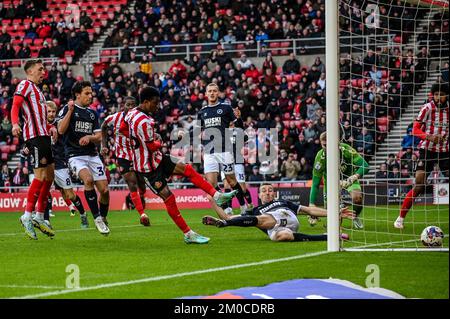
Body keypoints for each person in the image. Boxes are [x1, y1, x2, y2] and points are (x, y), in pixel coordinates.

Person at [122, 86, 236, 244]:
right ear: (146, 102)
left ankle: (218, 196)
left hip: (158, 158)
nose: (157, 106)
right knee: (169, 198)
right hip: (148, 168)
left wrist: (130, 143)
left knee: (186, 168)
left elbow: (121, 129)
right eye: (155, 103)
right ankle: (188, 233)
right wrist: (159, 141)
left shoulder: (131, 114)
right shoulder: (144, 121)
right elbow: (151, 146)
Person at [202, 183, 353, 242]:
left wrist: (334, 212)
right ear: (259, 195)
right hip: (279, 230)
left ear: (274, 194)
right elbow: (228, 216)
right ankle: (328, 237)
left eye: (270, 190)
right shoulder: (255, 210)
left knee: (261, 219)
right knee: (285, 236)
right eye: (264, 191)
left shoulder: (283, 203)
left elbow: (309, 210)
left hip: (285, 217)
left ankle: (224, 225)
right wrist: (212, 201)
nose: (267, 193)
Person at [22, 101, 89, 229]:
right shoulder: (38, 125)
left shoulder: (59, 124)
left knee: (70, 195)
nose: (51, 114)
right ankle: (44, 219)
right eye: (49, 111)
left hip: (59, 163)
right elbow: (31, 141)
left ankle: (83, 214)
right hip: (44, 162)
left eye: (53, 111)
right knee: (44, 191)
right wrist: (25, 149)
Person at [57, 81, 110, 236]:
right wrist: (70, 111)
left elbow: (99, 136)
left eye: (91, 92)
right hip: (75, 155)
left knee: (105, 190)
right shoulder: (68, 108)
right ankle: (97, 218)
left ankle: (104, 217)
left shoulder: (92, 113)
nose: (90, 95)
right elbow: (60, 130)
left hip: (93, 155)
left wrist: (89, 137)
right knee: (87, 180)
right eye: (87, 93)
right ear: (77, 95)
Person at [11, 59, 56, 240]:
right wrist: (15, 123)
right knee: (40, 176)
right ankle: (27, 216)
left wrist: (50, 126)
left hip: (44, 135)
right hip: (34, 137)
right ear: (30, 71)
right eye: (40, 69)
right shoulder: (25, 84)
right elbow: (15, 105)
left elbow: (39, 115)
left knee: (50, 176)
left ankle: (39, 215)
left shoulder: (38, 90)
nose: (43, 72)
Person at [394, 82, 449, 229]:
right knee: (419, 184)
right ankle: (400, 218)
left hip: (445, 152)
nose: (438, 97)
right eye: (436, 94)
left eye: (441, 94)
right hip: (427, 150)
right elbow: (414, 129)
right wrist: (429, 137)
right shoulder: (427, 108)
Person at [197, 83, 248, 214]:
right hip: (209, 151)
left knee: (231, 180)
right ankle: (227, 208)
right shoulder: (202, 112)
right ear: (206, 94)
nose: (212, 93)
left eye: (214, 91)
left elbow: (239, 127)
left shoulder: (226, 108)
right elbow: (198, 131)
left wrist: (239, 117)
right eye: (210, 91)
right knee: (212, 184)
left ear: (218, 93)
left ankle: (243, 206)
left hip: (225, 150)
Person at [101, 96, 150, 226]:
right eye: (128, 105)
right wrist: (104, 144)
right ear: (123, 105)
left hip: (138, 155)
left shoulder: (140, 119)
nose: (130, 108)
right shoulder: (115, 117)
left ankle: (140, 205)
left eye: (133, 105)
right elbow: (104, 125)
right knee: (132, 183)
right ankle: (142, 214)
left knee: (142, 186)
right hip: (122, 156)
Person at [309, 132, 369, 229]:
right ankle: (332, 221)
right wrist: (311, 204)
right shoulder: (320, 158)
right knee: (335, 223)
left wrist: (353, 177)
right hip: (330, 183)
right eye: (324, 145)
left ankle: (355, 216)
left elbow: (365, 166)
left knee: (357, 198)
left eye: (330, 144)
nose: (327, 147)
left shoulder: (346, 150)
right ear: (320, 143)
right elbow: (315, 184)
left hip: (348, 177)